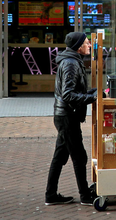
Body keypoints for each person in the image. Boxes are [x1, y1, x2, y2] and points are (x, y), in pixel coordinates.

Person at [45, 32, 97, 206]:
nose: (89, 46)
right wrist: (93, 98)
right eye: (87, 43)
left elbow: (75, 91)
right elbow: (68, 94)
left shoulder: (72, 60)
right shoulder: (70, 63)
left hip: (65, 115)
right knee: (79, 156)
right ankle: (85, 196)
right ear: (78, 46)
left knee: (60, 156)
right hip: (67, 117)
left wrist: (94, 92)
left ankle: (51, 195)